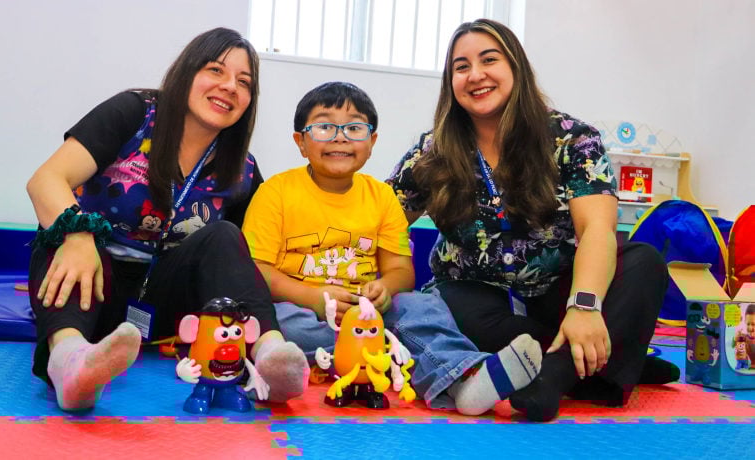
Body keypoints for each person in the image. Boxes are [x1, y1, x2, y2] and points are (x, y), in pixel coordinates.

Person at [387, 19, 679, 421]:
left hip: (560, 291)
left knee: (643, 261)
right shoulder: (434, 149)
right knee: (441, 305)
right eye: (461, 66)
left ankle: (555, 375)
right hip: (477, 298)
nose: (476, 75)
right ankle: (611, 360)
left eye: (489, 59)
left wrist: (585, 308)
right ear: (450, 82)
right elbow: (381, 217)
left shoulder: (573, 139)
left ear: (516, 67)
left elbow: (596, 228)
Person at [26, 28, 308, 411]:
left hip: (164, 305)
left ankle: (271, 358)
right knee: (55, 234)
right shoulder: (134, 111)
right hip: (91, 278)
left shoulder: (241, 168)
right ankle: (70, 364)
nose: (229, 87)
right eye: (216, 70)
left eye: (244, 83)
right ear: (187, 72)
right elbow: (46, 180)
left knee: (225, 236)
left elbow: (251, 258)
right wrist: (77, 238)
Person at [242, 81, 542, 415]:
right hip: (304, 309)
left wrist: (384, 288)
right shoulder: (276, 193)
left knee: (422, 307)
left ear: (371, 142)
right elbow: (258, 272)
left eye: (354, 128)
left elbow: (401, 271)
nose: (340, 137)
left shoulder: (382, 197)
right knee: (279, 322)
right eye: (325, 126)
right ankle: (385, 357)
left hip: (370, 315)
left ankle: (466, 376)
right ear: (301, 141)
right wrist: (313, 297)